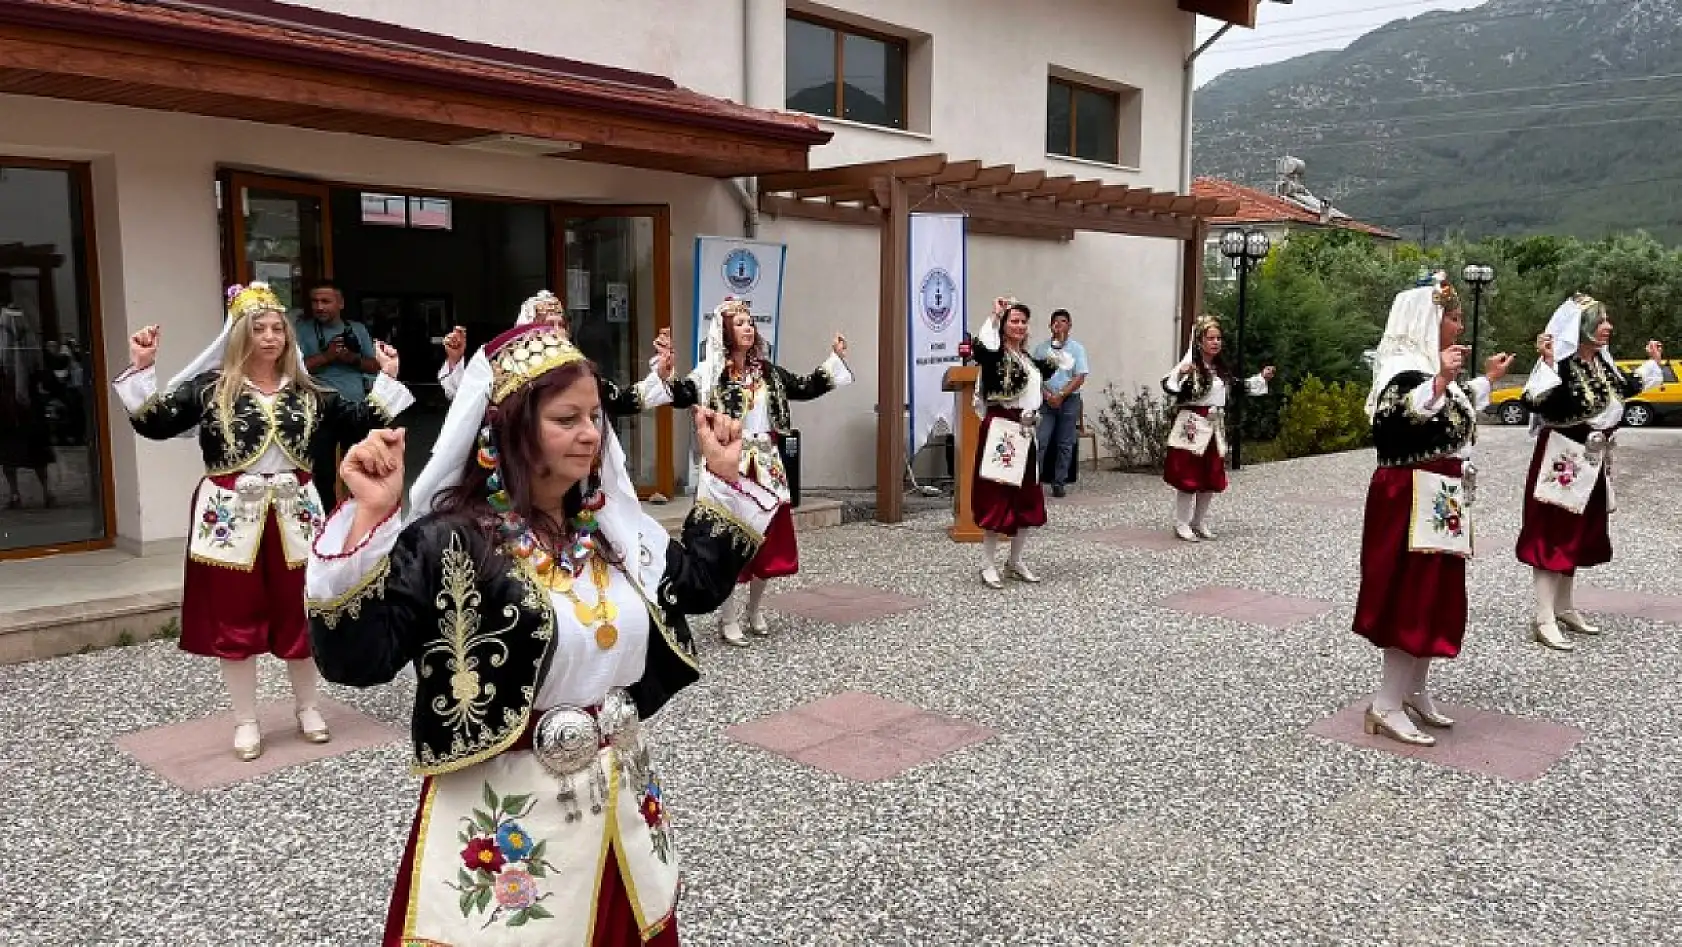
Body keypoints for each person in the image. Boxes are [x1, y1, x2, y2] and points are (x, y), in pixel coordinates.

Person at [305, 323, 777, 946]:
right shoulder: (451, 542)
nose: (591, 433)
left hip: (619, 808)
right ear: (511, 428)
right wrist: (370, 514)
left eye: (594, 416)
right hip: (507, 817)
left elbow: (698, 587)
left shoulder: (611, 531)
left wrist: (720, 473)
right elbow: (356, 661)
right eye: (566, 419)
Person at [111, 282, 413, 760]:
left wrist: (388, 376)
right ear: (238, 335)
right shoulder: (210, 389)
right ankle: (246, 720)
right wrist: (144, 366)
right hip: (231, 517)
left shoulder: (309, 393)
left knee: (303, 610)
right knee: (234, 619)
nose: (270, 337)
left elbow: (361, 420)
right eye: (258, 329)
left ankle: (307, 707)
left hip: (296, 515)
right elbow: (154, 422)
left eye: (277, 328)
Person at [1352, 276, 1511, 746]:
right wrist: (1440, 380)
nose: (1460, 325)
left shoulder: (1426, 371)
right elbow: (1394, 422)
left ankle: (1414, 690)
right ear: (1428, 319)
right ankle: (1385, 704)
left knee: (1435, 593)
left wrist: (1485, 380)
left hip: (1438, 496)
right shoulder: (1402, 371)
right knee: (1411, 594)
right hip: (1411, 495)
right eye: (1453, 317)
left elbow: (1451, 409)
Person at [666, 298, 849, 645]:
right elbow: (681, 394)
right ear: (724, 331)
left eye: (750, 322)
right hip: (729, 464)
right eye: (739, 323)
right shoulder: (710, 373)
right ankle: (728, 617)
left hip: (766, 465)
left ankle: (755, 609)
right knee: (726, 541)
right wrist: (666, 374)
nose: (748, 327)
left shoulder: (768, 372)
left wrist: (834, 359)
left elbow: (805, 386)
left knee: (767, 541)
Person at [1515, 294, 1664, 652]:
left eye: (1606, 320)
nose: (1607, 326)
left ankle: (1564, 607)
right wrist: (1547, 363)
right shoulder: (1562, 366)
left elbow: (1626, 387)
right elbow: (1533, 401)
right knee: (1552, 532)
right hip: (1563, 458)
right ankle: (1543, 616)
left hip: (1593, 459)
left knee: (1577, 533)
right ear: (1580, 328)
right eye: (1600, 321)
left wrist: (1653, 364)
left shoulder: (1600, 363)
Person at [436, 290, 681, 416]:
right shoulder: (507, 371)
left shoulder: (581, 373)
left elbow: (624, 401)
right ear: (527, 330)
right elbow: (466, 400)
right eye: (546, 324)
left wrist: (660, 374)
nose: (555, 331)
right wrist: (455, 361)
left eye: (560, 324)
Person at [969, 297, 1073, 589]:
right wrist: (994, 315)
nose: (1019, 326)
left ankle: (1014, 561)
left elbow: (1049, 371)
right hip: (1001, 427)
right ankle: (987, 563)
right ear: (1004, 325)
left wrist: (1057, 345)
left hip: (1026, 430)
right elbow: (983, 347)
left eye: (1023, 321)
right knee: (997, 493)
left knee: (1026, 494)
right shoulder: (994, 355)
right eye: (1014, 320)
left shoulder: (1027, 359)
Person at [1160, 315, 1274, 541]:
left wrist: (1261, 378)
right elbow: (1170, 385)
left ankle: (1198, 521)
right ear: (1200, 341)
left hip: (1214, 425)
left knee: (1211, 474)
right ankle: (1182, 523)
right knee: (1188, 475)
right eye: (1210, 338)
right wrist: (1182, 373)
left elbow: (1238, 386)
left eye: (1218, 338)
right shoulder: (1191, 367)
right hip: (1193, 425)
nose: (1215, 342)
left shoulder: (1221, 370)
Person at [295, 281, 381, 501]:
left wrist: (351, 358)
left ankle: (360, 513)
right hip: (318, 407)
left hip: (355, 406)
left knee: (360, 467)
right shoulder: (301, 329)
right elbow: (294, 369)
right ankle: (326, 516)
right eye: (315, 301)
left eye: (325, 301)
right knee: (321, 472)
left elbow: (375, 366)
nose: (319, 307)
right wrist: (328, 356)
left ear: (340, 303)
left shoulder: (357, 329)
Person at [0, 301, 55, 509]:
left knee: (26, 452)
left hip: (17, 408)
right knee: (16, 453)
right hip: (19, 408)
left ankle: (22, 494)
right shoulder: (31, 344)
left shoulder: (14, 344)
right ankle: (42, 492)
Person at [1032, 309, 1089, 498]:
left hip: (1069, 400)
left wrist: (1062, 395)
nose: (1059, 324)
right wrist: (1048, 395)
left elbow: (1080, 376)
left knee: (1065, 443)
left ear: (1069, 326)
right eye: (1055, 321)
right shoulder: (1041, 349)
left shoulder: (1077, 349)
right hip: (1046, 400)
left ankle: (1059, 482)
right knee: (1041, 440)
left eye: (1063, 321)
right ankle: (1033, 482)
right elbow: (1034, 376)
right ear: (1050, 325)